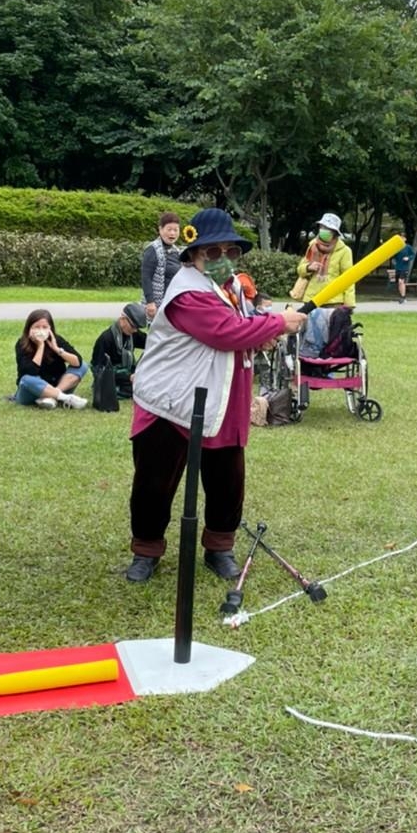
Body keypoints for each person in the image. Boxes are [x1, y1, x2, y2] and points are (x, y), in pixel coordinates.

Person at [125, 208, 303, 584]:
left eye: (230, 251)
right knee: (154, 483)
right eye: (212, 251)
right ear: (193, 254)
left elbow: (242, 324)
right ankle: (146, 550)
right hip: (171, 400)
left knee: (227, 480)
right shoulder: (187, 291)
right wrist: (278, 322)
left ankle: (219, 547)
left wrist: (261, 334)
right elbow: (225, 332)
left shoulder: (229, 284)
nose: (223, 257)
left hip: (223, 397)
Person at [13, 309, 88, 409]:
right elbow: (30, 372)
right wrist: (40, 346)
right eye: (36, 327)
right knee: (26, 379)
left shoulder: (56, 340)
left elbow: (77, 362)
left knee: (83, 366)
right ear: (29, 329)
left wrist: (57, 349)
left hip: (56, 385)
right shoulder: (22, 344)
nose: (41, 331)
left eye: (45, 327)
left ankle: (52, 397)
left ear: (50, 329)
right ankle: (65, 397)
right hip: (31, 391)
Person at [294, 212, 355, 307]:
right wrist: (308, 267)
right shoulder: (313, 246)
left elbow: (348, 278)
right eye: (322, 227)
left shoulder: (344, 251)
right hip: (311, 299)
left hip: (333, 301)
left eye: (327, 228)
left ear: (335, 232)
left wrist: (349, 304)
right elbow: (300, 270)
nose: (323, 230)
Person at [91, 302, 149, 399]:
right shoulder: (106, 339)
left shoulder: (133, 334)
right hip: (112, 378)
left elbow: (151, 343)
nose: (135, 330)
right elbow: (99, 370)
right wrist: (128, 377)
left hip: (130, 376)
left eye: (137, 328)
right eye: (133, 326)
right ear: (122, 319)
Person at [141, 211, 181, 320]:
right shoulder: (152, 249)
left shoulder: (177, 251)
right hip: (157, 305)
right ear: (160, 229)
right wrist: (150, 302)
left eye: (176, 230)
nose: (172, 233)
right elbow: (146, 277)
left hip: (173, 303)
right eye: (169, 229)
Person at [392, 237, 416, 303]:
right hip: (398, 268)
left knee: (401, 281)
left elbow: (413, 255)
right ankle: (403, 297)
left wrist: (408, 258)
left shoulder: (408, 247)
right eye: (400, 238)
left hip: (404, 268)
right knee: (399, 283)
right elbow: (394, 257)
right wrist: (394, 261)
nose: (401, 239)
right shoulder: (397, 248)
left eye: (402, 238)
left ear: (405, 239)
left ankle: (402, 297)